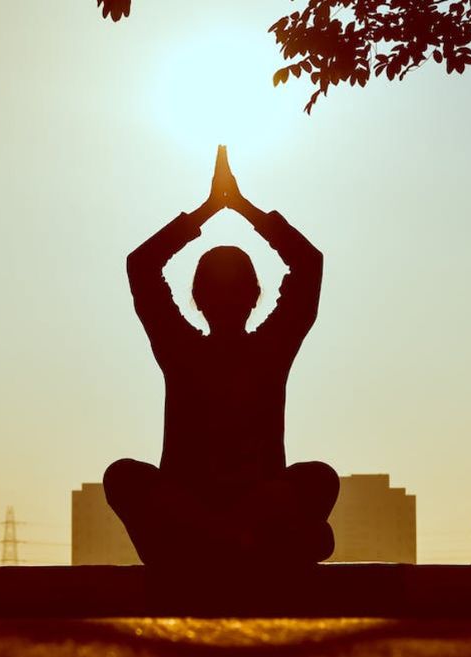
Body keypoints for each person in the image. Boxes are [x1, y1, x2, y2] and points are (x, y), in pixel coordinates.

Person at [105, 146, 339, 568]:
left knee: (319, 478)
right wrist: (228, 208)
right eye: (221, 290)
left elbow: (309, 264)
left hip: (239, 513)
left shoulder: (250, 349)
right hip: (198, 512)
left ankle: (221, 540)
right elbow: (140, 266)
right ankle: (232, 541)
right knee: (122, 476)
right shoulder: (191, 349)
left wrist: (220, 209)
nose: (228, 299)